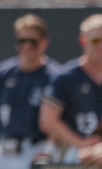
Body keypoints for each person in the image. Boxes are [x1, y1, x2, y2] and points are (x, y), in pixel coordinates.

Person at [0, 14, 58, 169]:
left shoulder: (54, 75)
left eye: (32, 42)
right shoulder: (3, 73)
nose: (26, 47)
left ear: (44, 43)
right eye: (22, 41)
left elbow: (62, 119)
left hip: (36, 148)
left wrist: (49, 148)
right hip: (3, 148)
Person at [40, 14, 102, 164]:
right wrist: (80, 143)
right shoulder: (66, 76)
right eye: (95, 40)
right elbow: (47, 120)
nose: (100, 46)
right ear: (83, 41)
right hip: (73, 151)